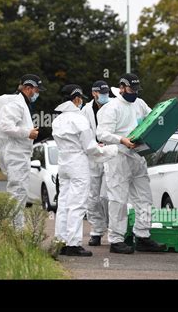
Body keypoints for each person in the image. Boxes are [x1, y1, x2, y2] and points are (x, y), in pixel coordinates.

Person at [96, 73, 166, 254]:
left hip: (137, 156)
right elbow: (102, 134)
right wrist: (122, 140)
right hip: (118, 158)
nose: (134, 92)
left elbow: (153, 118)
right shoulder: (112, 107)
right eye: (131, 89)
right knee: (118, 200)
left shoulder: (139, 103)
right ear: (121, 87)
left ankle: (143, 235)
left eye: (136, 89)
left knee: (144, 198)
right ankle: (116, 240)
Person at [53, 84, 117, 256]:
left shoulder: (57, 120)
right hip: (78, 166)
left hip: (63, 165)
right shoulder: (80, 119)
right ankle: (73, 245)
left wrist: (94, 147)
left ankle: (61, 241)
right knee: (77, 205)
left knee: (64, 204)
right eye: (80, 98)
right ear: (76, 98)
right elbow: (90, 148)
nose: (81, 102)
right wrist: (108, 150)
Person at [0, 74, 46, 230]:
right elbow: (6, 127)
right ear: (27, 88)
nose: (37, 93)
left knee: (19, 192)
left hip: (18, 154)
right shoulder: (16, 105)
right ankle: (15, 230)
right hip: (15, 154)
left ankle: (13, 228)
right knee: (18, 192)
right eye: (36, 90)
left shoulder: (21, 104)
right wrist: (28, 133)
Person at [81, 80, 110, 246]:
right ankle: (96, 231)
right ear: (94, 93)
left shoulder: (114, 106)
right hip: (93, 157)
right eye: (102, 93)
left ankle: (114, 229)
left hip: (110, 155)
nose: (105, 96)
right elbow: (84, 133)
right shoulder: (85, 111)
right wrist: (93, 144)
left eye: (106, 92)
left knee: (107, 196)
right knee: (92, 198)